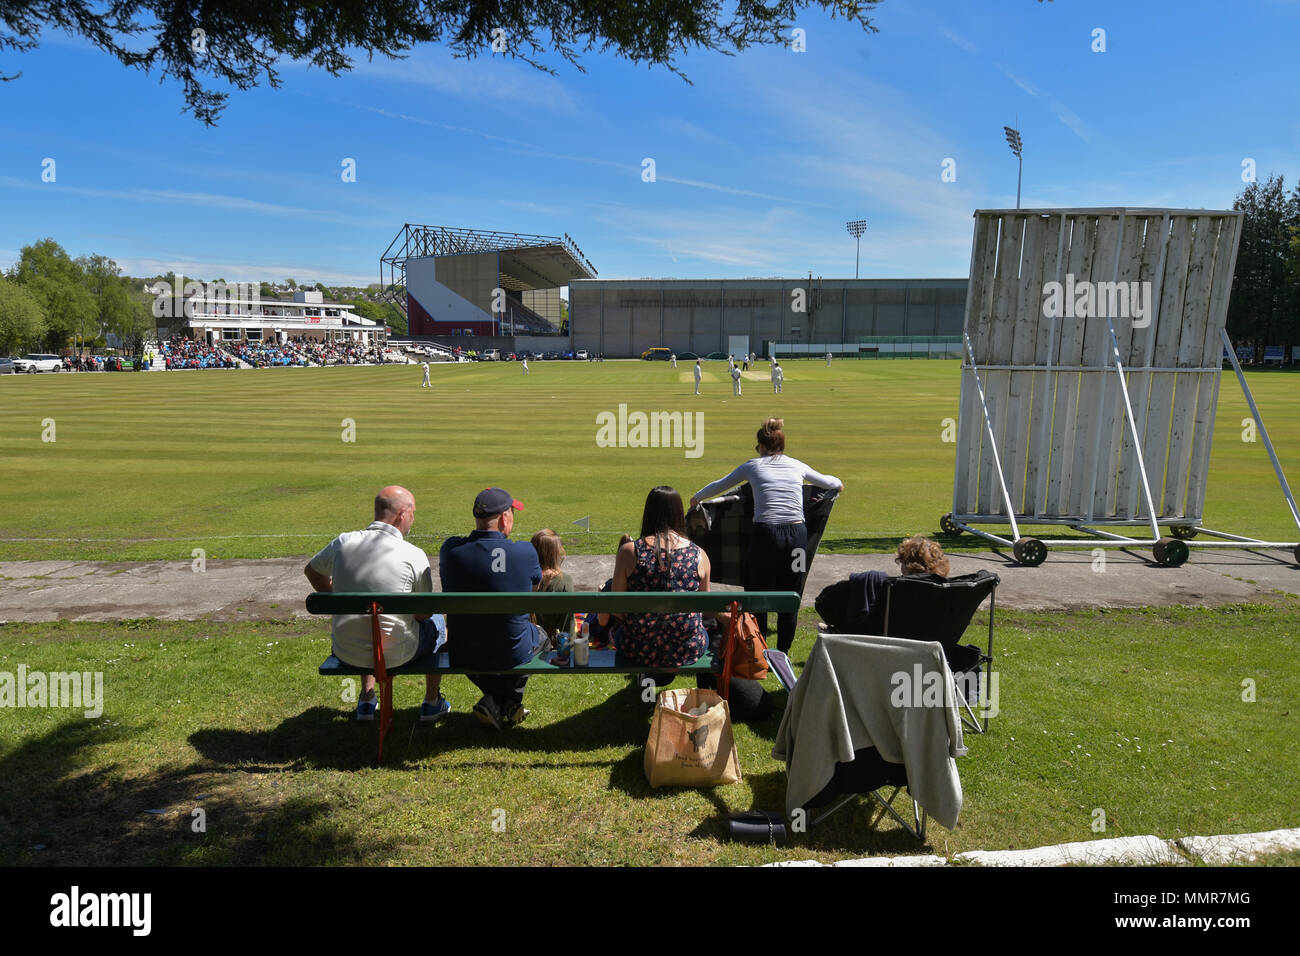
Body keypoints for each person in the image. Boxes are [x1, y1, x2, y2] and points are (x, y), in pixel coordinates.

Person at [690, 418, 843, 654]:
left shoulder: (753, 466)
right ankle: (783, 653)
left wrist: (697, 498)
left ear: (762, 446)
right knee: (791, 593)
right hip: (797, 537)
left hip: (766, 535)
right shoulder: (796, 465)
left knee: (756, 593)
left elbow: (720, 485)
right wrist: (839, 485)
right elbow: (831, 482)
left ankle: (758, 650)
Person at [305, 486, 450, 722]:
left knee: (367, 620)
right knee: (436, 622)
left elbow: (312, 571)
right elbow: (424, 613)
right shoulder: (413, 554)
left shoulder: (343, 542)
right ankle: (432, 702)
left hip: (346, 651)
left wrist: (337, 600)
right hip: (397, 654)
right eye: (413, 513)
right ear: (402, 515)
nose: (414, 519)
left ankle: (366, 699)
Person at [440, 487, 543, 730]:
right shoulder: (525, 551)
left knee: (495, 638)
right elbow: (534, 591)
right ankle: (507, 702)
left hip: (463, 651)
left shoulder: (451, 550)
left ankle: (495, 701)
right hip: (511, 651)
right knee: (541, 637)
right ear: (504, 518)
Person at [599, 487, 712, 675]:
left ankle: (647, 683)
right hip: (686, 649)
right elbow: (706, 608)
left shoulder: (629, 551)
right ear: (679, 514)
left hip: (638, 648)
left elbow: (616, 608)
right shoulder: (699, 554)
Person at [821, 537, 950, 636]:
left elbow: (825, 600)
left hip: (889, 645)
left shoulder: (892, 589)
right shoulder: (946, 592)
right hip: (928, 647)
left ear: (907, 564)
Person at [530, 528, 574, 640]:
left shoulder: (520, 578)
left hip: (523, 641)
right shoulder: (564, 581)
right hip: (545, 644)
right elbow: (567, 628)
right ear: (555, 553)